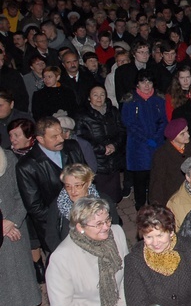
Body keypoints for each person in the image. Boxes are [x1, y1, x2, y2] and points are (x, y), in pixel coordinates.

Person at [46, 197, 130, 306]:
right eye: (98, 224)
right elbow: (62, 304)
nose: (106, 227)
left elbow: (127, 276)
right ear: (80, 227)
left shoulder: (117, 234)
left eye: (107, 220)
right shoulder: (62, 258)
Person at [16, 116, 86, 251]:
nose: (61, 139)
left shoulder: (72, 147)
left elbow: (87, 179)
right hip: (55, 226)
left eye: (61, 133)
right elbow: (35, 207)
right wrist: (67, 219)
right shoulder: (27, 166)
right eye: (54, 136)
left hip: (85, 217)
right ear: (40, 139)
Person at [0, 147, 42, 306]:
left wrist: (12, 221)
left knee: (16, 271)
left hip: (14, 225)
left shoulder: (8, 158)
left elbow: (22, 193)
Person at [45, 163, 121, 253]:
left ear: (88, 183)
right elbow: (51, 236)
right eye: (68, 186)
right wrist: (64, 255)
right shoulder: (58, 205)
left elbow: (114, 227)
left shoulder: (103, 201)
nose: (73, 191)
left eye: (77, 186)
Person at [121, 69, 168, 210]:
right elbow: (129, 123)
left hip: (157, 144)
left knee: (155, 178)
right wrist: (146, 138)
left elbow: (163, 120)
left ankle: (154, 205)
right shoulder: (130, 100)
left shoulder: (159, 99)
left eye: (149, 81)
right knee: (140, 179)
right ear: (137, 84)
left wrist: (156, 136)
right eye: (143, 81)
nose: (146, 85)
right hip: (138, 147)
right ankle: (140, 206)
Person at [75, 85, 127, 203]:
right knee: (99, 197)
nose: (99, 98)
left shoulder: (113, 111)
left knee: (113, 194)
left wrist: (114, 145)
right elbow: (82, 138)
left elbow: (122, 131)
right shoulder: (82, 115)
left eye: (102, 94)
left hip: (113, 159)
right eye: (95, 95)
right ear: (89, 98)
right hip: (95, 161)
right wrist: (102, 149)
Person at [150, 118, 191, 206]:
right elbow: (157, 183)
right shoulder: (161, 154)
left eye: (187, 131)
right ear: (173, 138)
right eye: (182, 134)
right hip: (174, 197)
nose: (188, 135)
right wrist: (158, 206)